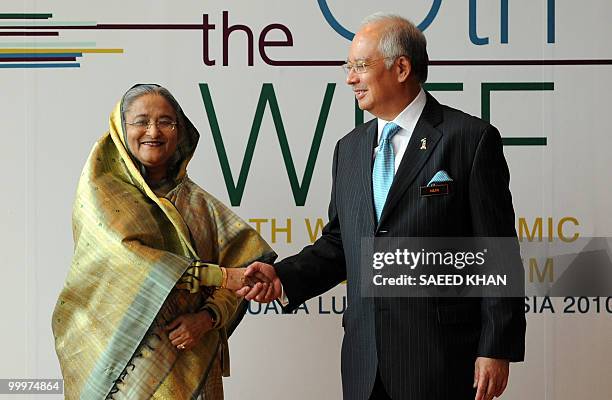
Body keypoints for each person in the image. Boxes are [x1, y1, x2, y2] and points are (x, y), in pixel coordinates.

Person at [238, 13, 526, 400]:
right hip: (365, 360)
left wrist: (495, 347)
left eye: (359, 66)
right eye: (348, 67)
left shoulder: (469, 139)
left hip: (442, 359)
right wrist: (283, 277)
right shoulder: (350, 149)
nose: (350, 78)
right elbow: (341, 243)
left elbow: (497, 253)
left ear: (401, 67)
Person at [52, 84, 276, 400]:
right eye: (141, 121)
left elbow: (242, 270)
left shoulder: (201, 206)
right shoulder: (102, 196)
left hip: (193, 366)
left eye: (166, 122)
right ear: (121, 129)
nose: (153, 131)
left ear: (180, 131)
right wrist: (221, 276)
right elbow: (134, 261)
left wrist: (208, 317)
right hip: (118, 372)